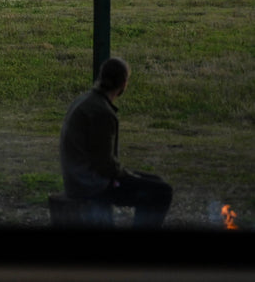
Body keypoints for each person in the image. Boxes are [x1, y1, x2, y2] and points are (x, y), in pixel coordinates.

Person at [59, 56, 173, 228]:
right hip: (91, 185)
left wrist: (127, 174)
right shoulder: (102, 113)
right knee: (162, 191)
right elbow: (105, 165)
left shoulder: (86, 101)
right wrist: (127, 175)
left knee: (154, 182)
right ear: (123, 84)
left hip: (78, 178)